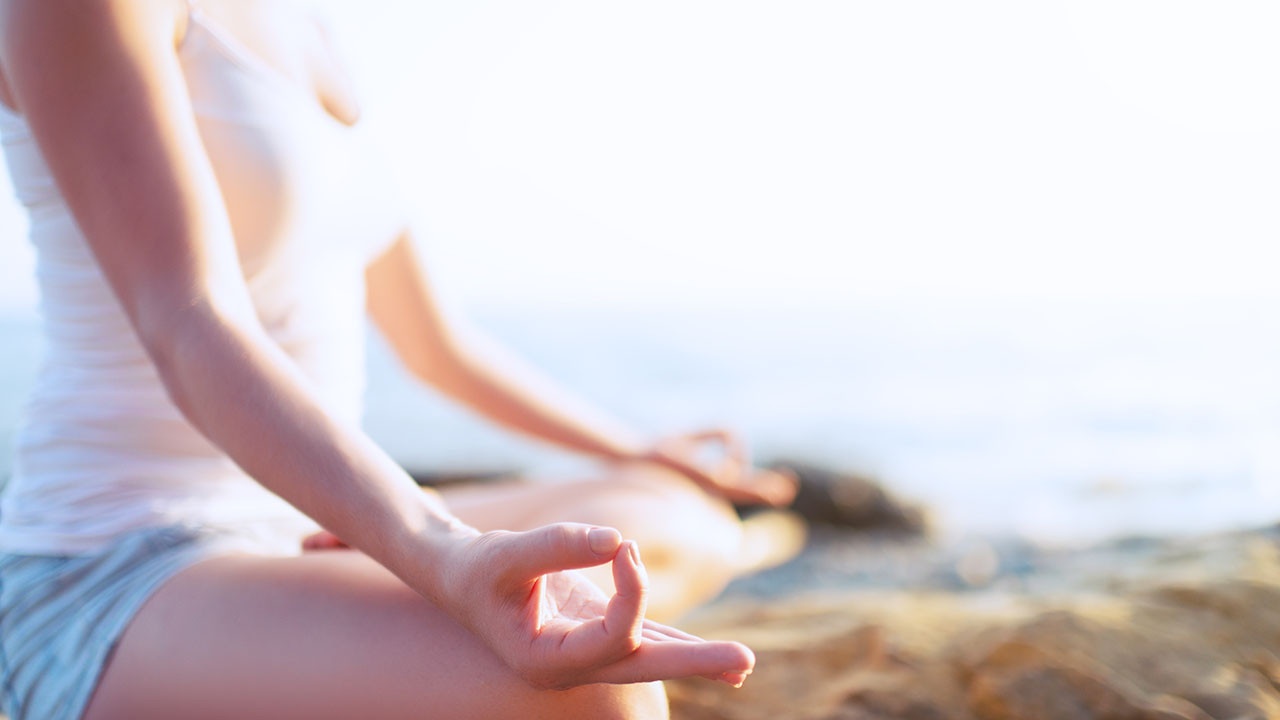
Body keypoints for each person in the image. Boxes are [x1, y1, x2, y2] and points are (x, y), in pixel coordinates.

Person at [0, 1, 799, 718]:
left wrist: (632, 449)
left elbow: (437, 346)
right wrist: (433, 550)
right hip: (117, 565)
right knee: (593, 692)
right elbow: (190, 319)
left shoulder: (310, 29)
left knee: (677, 519)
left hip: (306, 521)